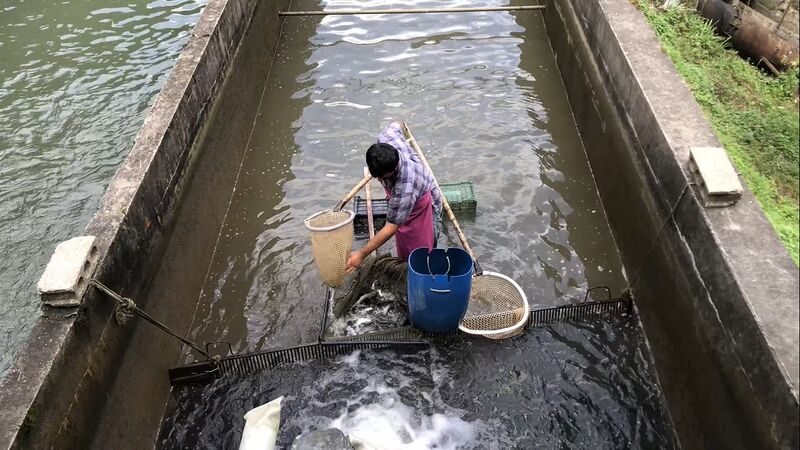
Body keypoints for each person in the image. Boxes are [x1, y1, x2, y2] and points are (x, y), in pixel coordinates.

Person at [346, 120, 442, 273]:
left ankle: (420, 274)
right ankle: (405, 264)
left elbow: (391, 227)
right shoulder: (388, 138)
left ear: (394, 169)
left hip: (421, 204)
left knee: (421, 255)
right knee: (404, 247)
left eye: (383, 177)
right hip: (403, 201)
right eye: (376, 176)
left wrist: (362, 253)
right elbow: (398, 123)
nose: (379, 180)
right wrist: (405, 127)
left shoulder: (405, 186)